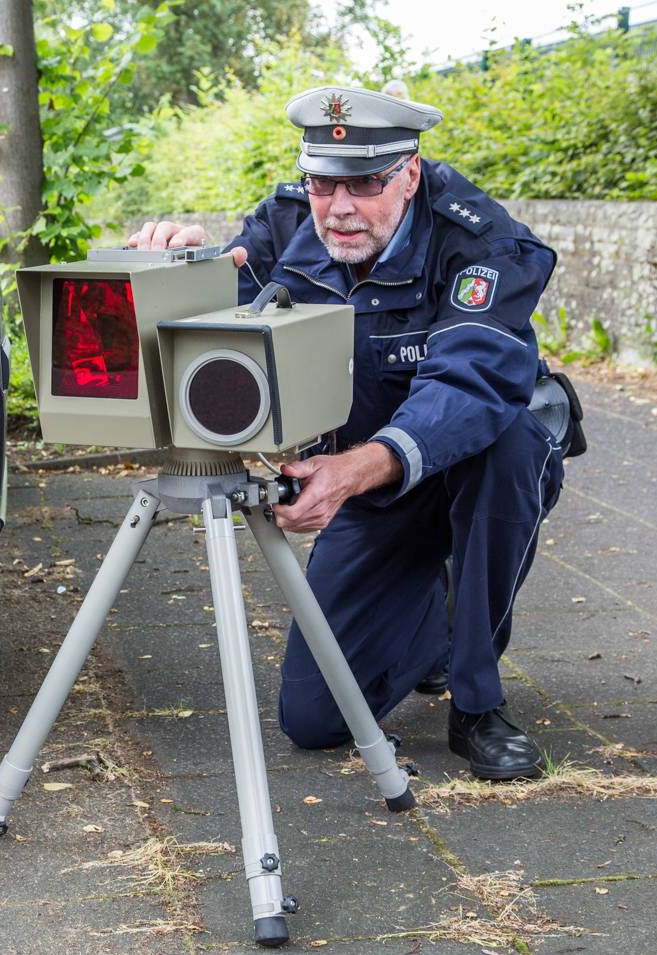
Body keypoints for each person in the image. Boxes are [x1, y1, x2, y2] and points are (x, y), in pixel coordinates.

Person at [128, 85, 565, 780]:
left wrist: (352, 471)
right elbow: (216, 320)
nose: (339, 208)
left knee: (509, 447)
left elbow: (468, 385)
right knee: (315, 720)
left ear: (410, 174)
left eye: (364, 183)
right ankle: (432, 615)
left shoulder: (480, 242)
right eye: (324, 183)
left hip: (466, 463)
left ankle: (477, 701)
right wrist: (168, 267)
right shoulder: (285, 224)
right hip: (369, 487)